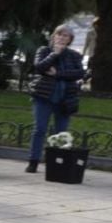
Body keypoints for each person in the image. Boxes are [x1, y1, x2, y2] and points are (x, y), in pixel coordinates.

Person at [26, 24, 85, 173]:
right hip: (43, 96)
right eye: (59, 34)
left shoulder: (74, 55)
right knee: (39, 129)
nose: (62, 37)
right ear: (54, 36)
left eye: (66, 36)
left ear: (70, 39)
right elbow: (39, 67)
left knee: (61, 132)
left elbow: (79, 73)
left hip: (65, 98)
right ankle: (33, 161)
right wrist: (55, 54)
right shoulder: (44, 50)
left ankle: (55, 162)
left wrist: (57, 74)